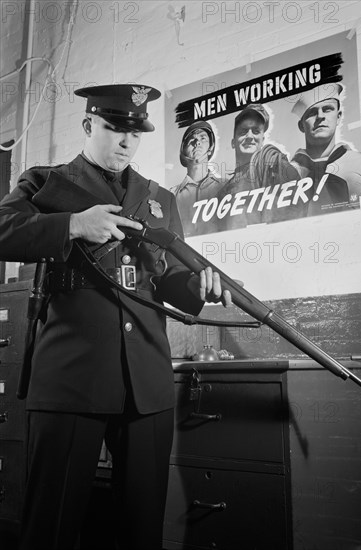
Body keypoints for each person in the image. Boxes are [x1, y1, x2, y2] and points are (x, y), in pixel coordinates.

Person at [0, 84, 233, 550]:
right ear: (89, 126)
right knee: (52, 524)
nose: (126, 141)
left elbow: (162, 280)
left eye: (135, 132)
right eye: (114, 128)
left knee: (141, 527)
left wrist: (198, 287)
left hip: (145, 381)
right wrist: (71, 224)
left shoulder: (160, 199)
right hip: (71, 377)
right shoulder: (46, 183)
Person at [219, 103, 300, 230]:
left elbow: (294, 219)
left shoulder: (278, 168)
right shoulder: (223, 193)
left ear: (262, 141)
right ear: (233, 142)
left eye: (256, 131)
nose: (249, 136)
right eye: (243, 131)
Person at [291, 83, 361, 216]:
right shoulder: (287, 172)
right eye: (312, 113)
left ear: (339, 116)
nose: (320, 116)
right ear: (301, 125)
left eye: (327, 109)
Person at [170, 120, 224, 237]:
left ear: (211, 147)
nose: (197, 143)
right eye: (192, 140)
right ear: (183, 149)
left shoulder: (226, 187)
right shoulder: (171, 196)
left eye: (203, 138)